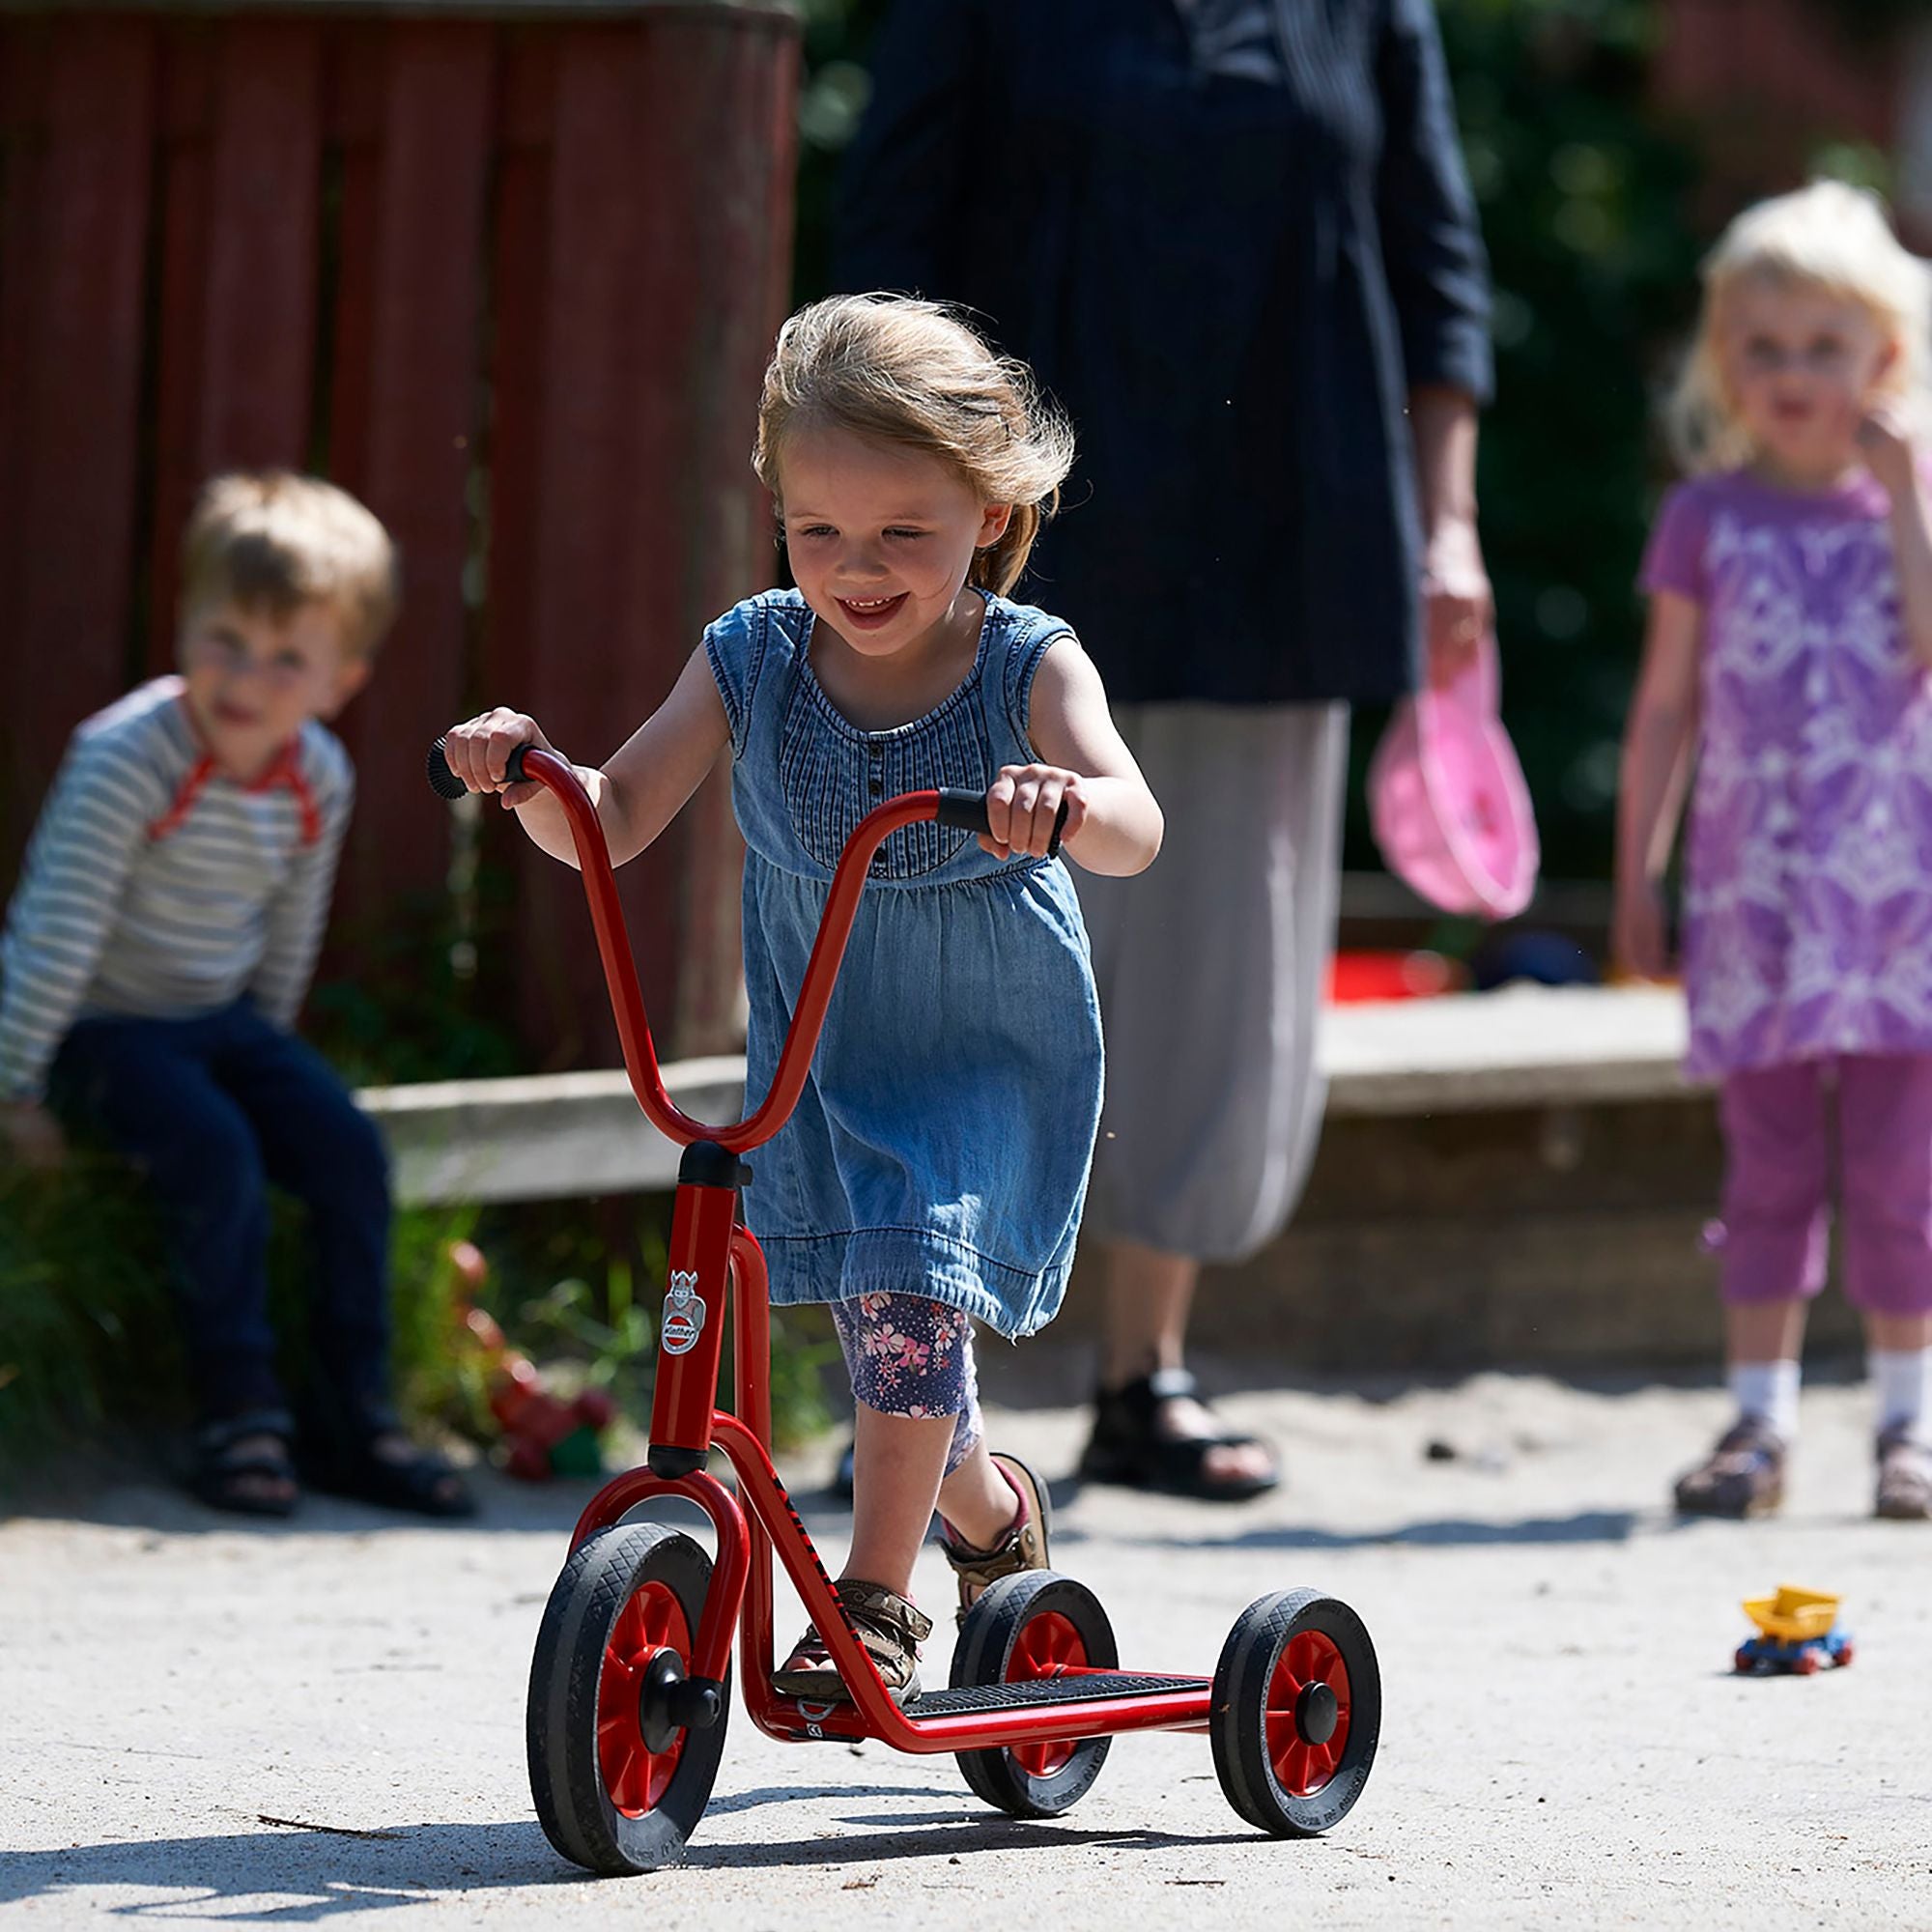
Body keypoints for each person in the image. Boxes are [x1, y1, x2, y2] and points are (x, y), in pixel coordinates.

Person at [442, 295, 1163, 1700]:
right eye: (820, 530)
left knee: (906, 1294)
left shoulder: (1028, 664)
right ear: (777, 514)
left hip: (984, 1051)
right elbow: (618, 814)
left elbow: (1138, 825)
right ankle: (991, 1519)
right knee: (895, 1335)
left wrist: (1059, 800)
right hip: (824, 1049)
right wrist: (531, 771)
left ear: (991, 522)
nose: (859, 567)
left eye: (906, 532)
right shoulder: (754, 653)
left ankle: (876, 1602)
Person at [833, 0, 1494, 1499]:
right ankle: (912, 1401)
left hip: (1291, 528)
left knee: (1217, 967)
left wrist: (1448, 526)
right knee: (948, 946)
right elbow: (886, 243)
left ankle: (1146, 1377)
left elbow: (1432, 260)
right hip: (1013, 544)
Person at [0, 471, 471, 1520]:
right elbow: (57, 925)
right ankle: (236, 1407)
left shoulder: (319, 772)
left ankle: (354, 1409)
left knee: (345, 1147)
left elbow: (288, 934)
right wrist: (16, 1082)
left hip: (222, 1024)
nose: (246, 676)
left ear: (338, 678)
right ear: (185, 623)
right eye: (225, 639)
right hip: (103, 1025)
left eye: (285, 657)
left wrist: (269, 1057)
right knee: (214, 1150)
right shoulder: (129, 755)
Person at [1614, 181, 1932, 1522]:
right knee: (1770, 1166)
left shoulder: (1905, 512)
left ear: (1885, 359)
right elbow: (1666, 705)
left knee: (1903, 1168)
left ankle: (1908, 1429)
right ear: (1721, 362)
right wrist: (1640, 864)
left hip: (1899, 904)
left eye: (1825, 344)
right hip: (1754, 902)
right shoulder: (1707, 517)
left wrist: (1910, 486)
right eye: (1764, 345)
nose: (1794, 373)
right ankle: (1758, 1425)